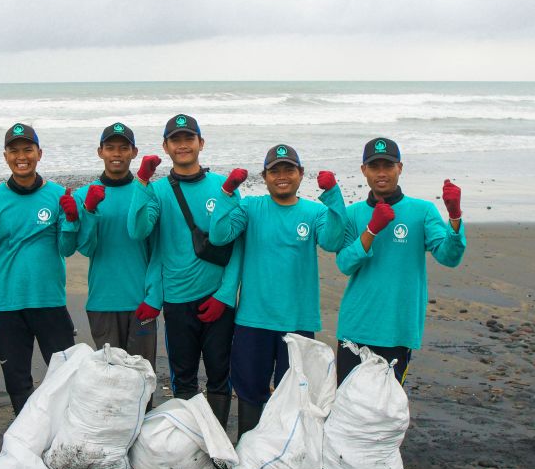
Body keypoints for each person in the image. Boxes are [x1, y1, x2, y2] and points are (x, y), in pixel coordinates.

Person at [209, 144, 346, 438]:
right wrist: (227, 192)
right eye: (275, 171)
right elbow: (219, 234)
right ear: (264, 176)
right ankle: (248, 448)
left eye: (289, 170)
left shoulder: (315, 211)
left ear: (300, 174)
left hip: (297, 322)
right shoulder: (250, 208)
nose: (282, 176)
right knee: (249, 390)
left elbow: (333, 241)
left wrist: (334, 196)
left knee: (294, 395)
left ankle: (288, 454)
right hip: (253, 320)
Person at [0, 123, 78, 415]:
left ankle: (65, 434)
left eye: (28, 149)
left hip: (49, 300)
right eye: (14, 150)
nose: (21, 156)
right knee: (17, 380)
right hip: (8, 304)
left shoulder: (58, 195)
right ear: (6, 156)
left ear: (39, 153)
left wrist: (71, 220)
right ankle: (26, 436)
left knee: (66, 376)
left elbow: (66, 249)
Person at [127, 114, 243, 429]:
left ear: (200, 143)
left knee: (220, 373)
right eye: (175, 140)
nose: (182, 145)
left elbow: (237, 245)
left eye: (188, 138)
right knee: (184, 376)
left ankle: (216, 441)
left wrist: (224, 295)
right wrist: (141, 182)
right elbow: (138, 231)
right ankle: (189, 440)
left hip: (216, 297)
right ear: (166, 147)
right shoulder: (157, 190)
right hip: (177, 301)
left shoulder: (223, 186)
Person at [335, 137, 466, 385]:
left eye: (388, 165)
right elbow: (344, 264)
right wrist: (371, 230)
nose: (381, 173)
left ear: (400, 168)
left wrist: (455, 216)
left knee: (385, 411)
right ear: (364, 170)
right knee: (348, 410)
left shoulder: (422, 211)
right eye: (374, 166)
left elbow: (449, 256)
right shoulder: (352, 214)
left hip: (398, 328)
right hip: (355, 328)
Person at [73, 123, 162, 378]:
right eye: (110, 147)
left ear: (134, 152)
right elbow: (86, 248)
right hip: (102, 301)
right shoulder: (84, 194)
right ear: (100, 151)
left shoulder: (148, 192)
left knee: (142, 378)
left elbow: (156, 249)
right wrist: (88, 212)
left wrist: (154, 297)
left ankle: (143, 419)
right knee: (109, 381)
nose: (117, 154)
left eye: (124, 148)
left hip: (140, 302)